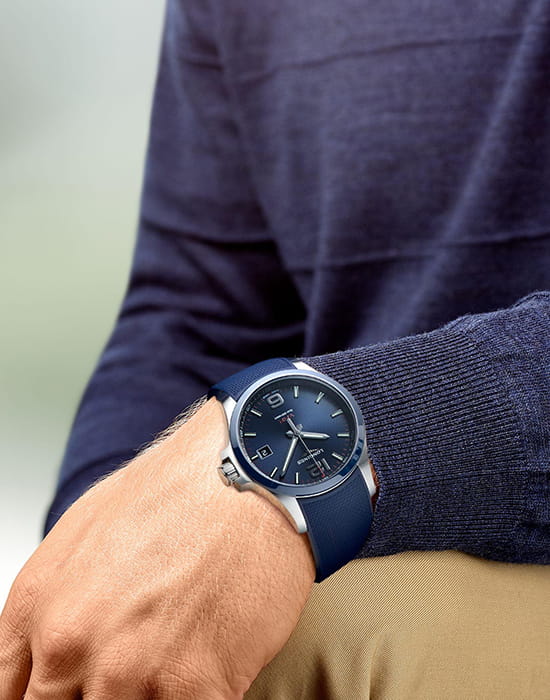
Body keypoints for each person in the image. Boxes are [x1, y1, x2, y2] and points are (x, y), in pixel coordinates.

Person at [1, 0, 549, 697]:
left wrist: (318, 461)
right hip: (341, 521)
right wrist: (94, 575)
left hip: (446, 539)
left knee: (291, 655)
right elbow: (199, 310)